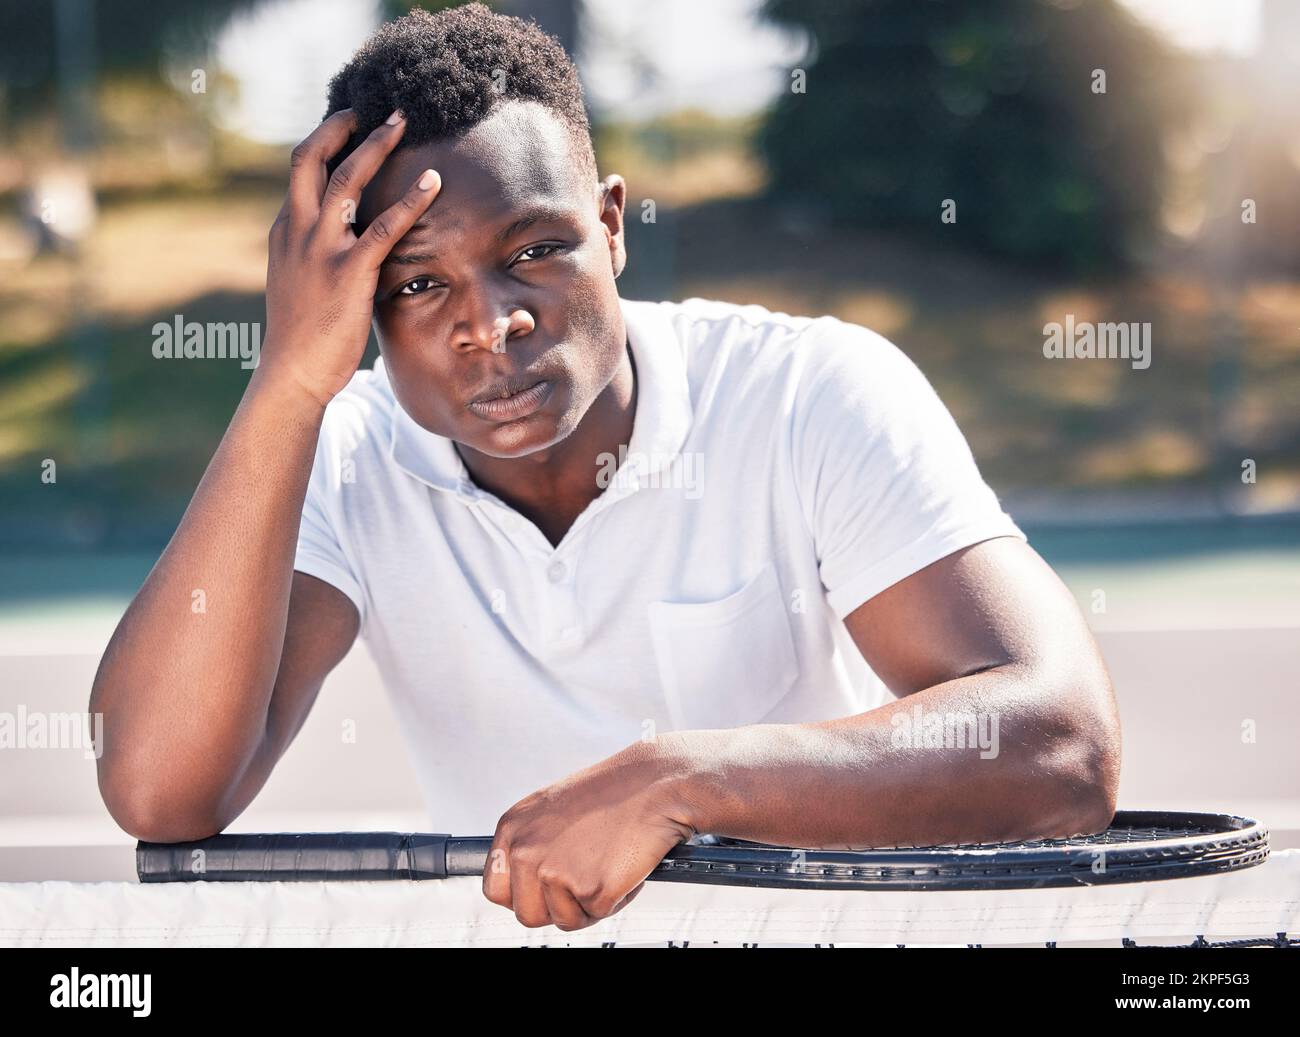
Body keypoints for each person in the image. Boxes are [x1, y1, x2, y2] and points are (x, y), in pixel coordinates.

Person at [91, 3, 1120, 932]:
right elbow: (157, 788)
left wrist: (681, 778)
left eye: (533, 250)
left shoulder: (808, 390)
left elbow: (1058, 741)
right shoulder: (344, 450)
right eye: (416, 284)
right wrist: (285, 383)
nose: (490, 325)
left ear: (612, 225)